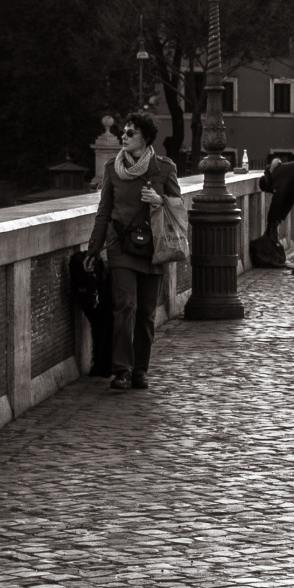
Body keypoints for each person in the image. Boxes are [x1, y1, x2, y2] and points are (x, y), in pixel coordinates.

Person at [85, 112, 182, 391]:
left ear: (146, 138)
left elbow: (179, 206)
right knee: (125, 306)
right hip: (120, 248)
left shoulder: (163, 168)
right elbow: (103, 212)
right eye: (124, 132)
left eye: (130, 133)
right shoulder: (111, 168)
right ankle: (122, 370)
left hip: (153, 248)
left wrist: (160, 199)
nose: (124, 137)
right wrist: (94, 249)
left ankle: (140, 370)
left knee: (147, 313)